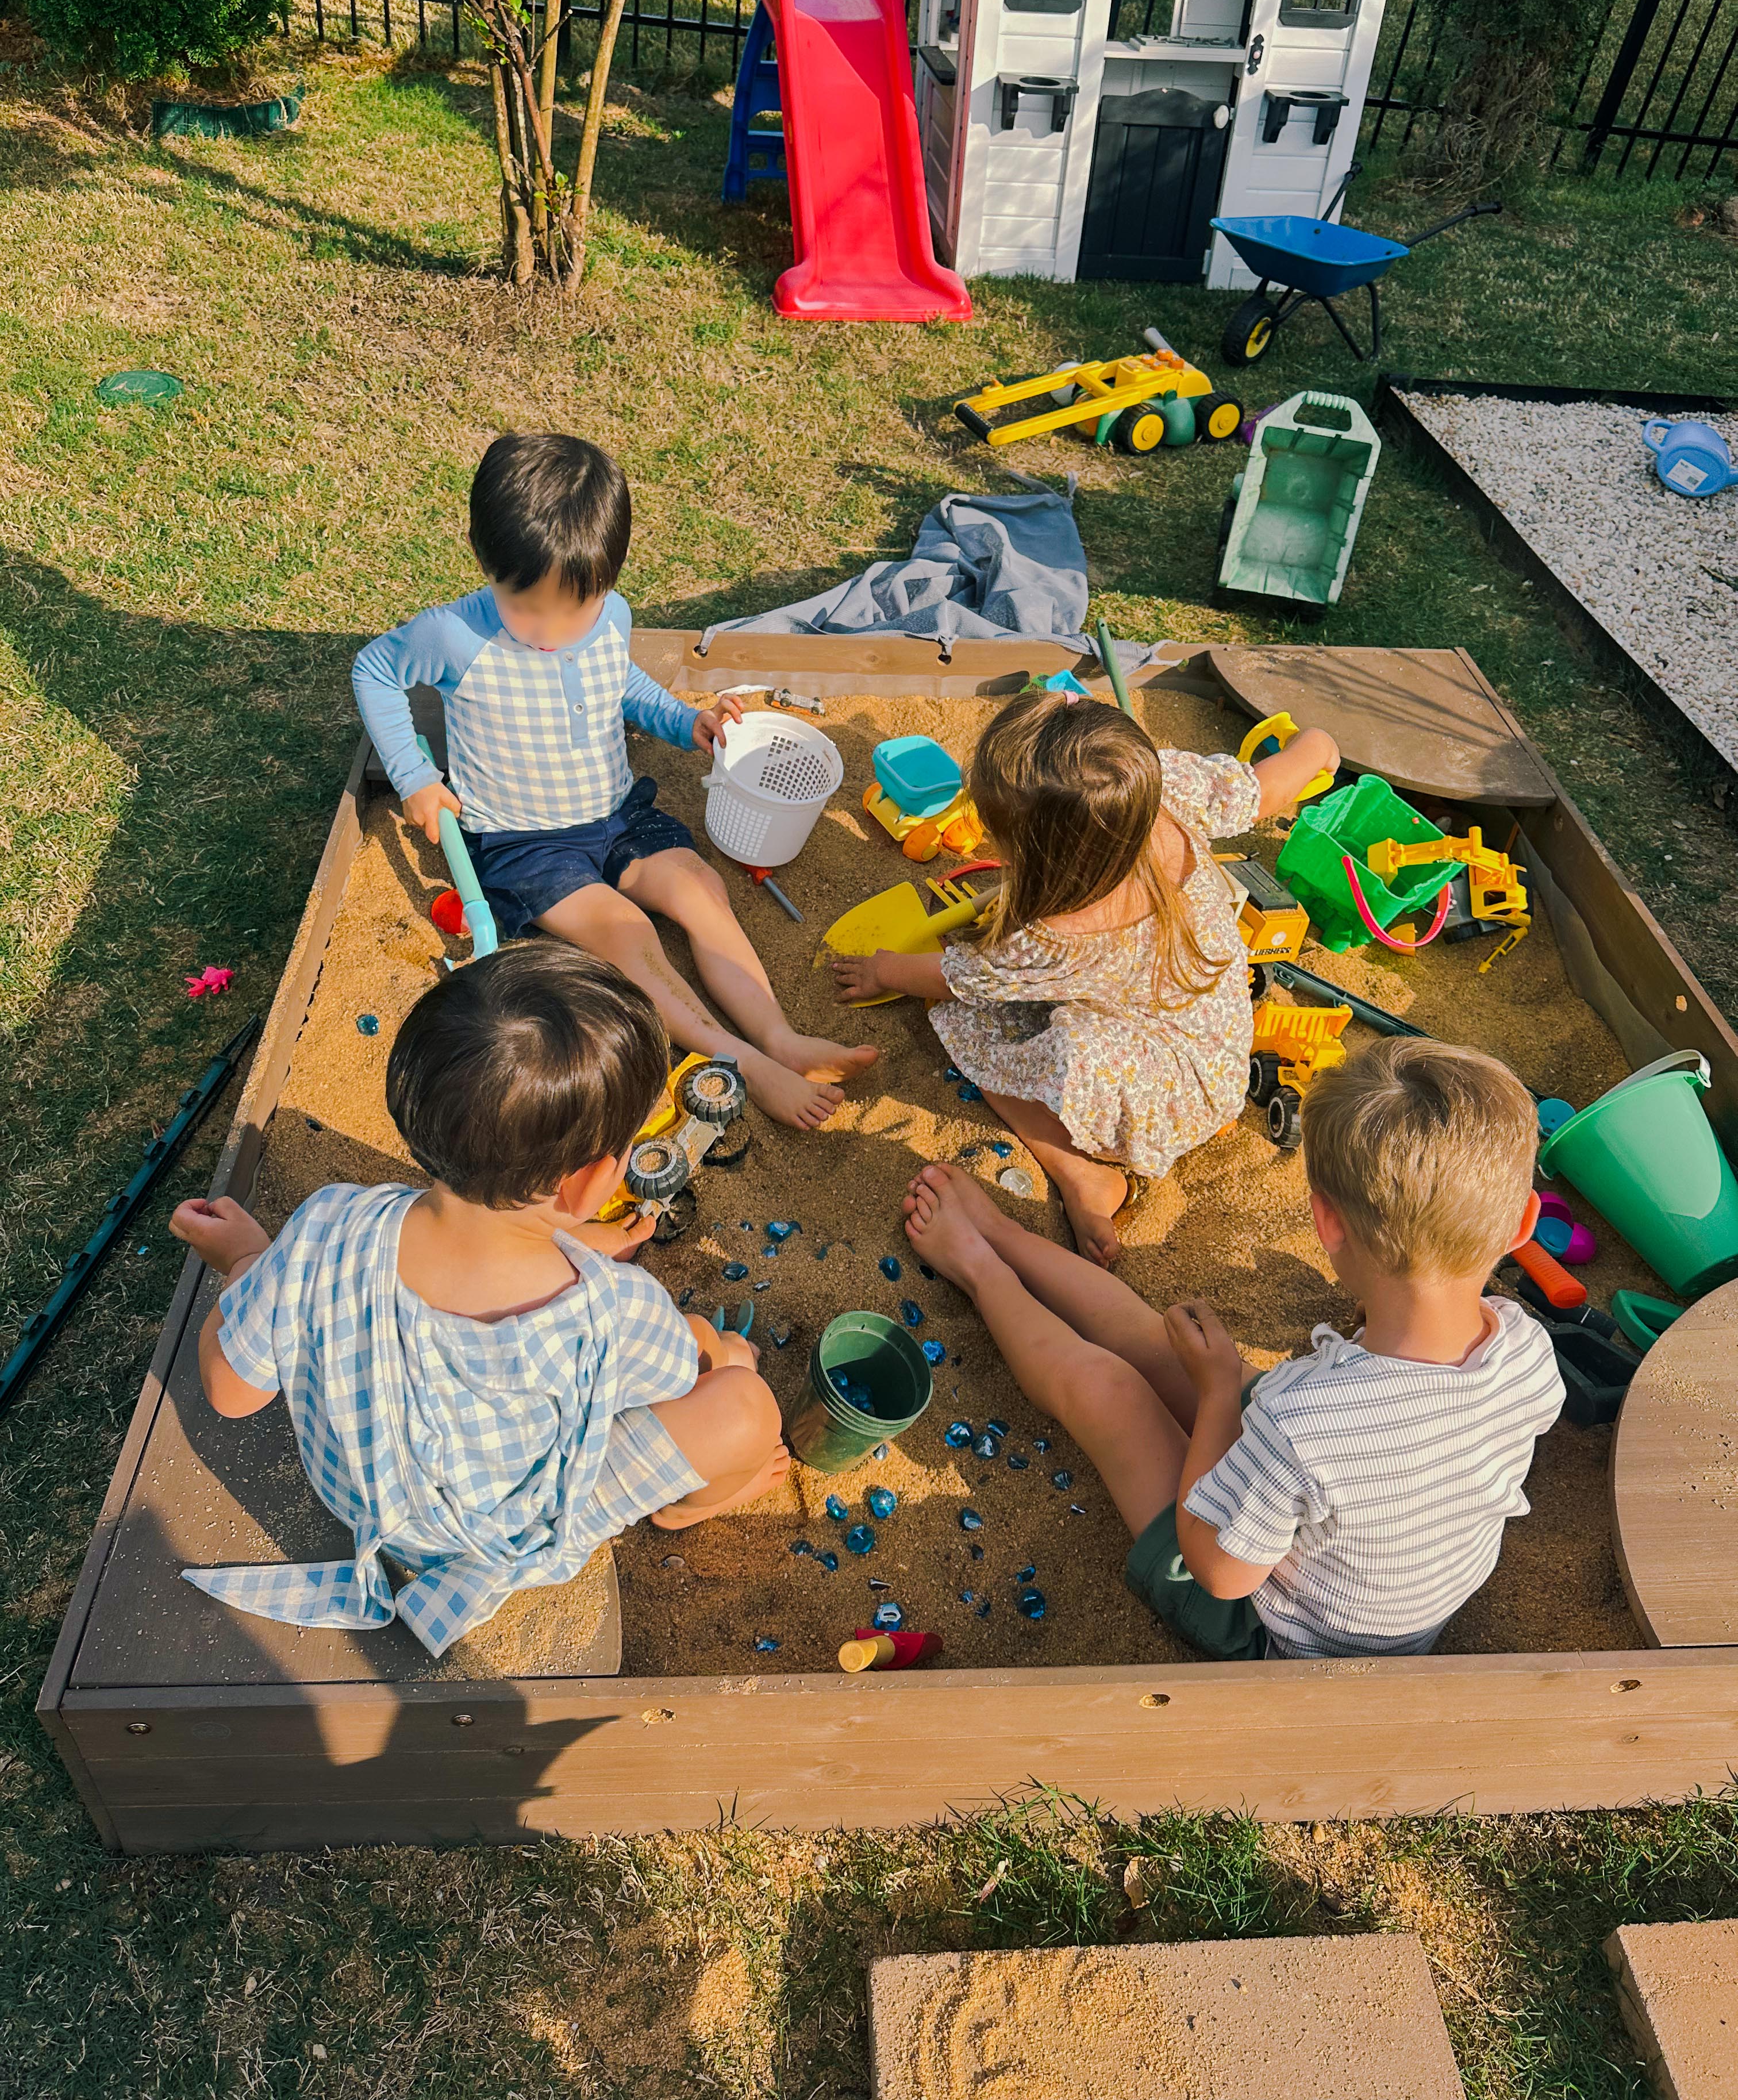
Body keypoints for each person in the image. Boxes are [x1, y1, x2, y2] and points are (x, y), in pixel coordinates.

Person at [168, 944, 789, 1655]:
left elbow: (230, 1390)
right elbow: (685, 1372)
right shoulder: (617, 1310)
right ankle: (695, 1505)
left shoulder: (327, 1227)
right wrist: (720, 1351)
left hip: (373, 1508)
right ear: (590, 1185)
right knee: (743, 1401)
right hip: (515, 1538)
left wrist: (251, 1260)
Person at [899, 1036, 1566, 1661]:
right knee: (1162, 1346)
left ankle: (980, 1270)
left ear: (1327, 1223)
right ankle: (1003, 1235)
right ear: (1522, 1225)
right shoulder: (1527, 1349)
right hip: (1363, 1563)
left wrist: (1220, 1398)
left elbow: (1220, 1573)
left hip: (1274, 1634)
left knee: (1111, 1391)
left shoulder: (1301, 1421)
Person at [352, 431, 875, 1130]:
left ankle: (779, 1036)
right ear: (485, 558)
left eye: (581, 606)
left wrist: (682, 720)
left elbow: (620, 683)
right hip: (525, 843)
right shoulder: (455, 636)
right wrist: (417, 777)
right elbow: (375, 671)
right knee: (630, 935)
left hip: (614, 812)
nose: (557, 630)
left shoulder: (611, 616)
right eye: (532, 609)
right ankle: (742, 1062)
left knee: (700, 888)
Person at [834, 694, 1339, 1263]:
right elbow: (1265, 787)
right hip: (1216, 1044)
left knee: (968, 1028)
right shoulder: (1165, 784)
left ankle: (1080, 1173)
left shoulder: (1057, 936)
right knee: (1026, 1017)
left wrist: (885, 970)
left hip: (1168, 1093)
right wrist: (1314, 747)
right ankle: (1087, 1169)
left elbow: (960, 979)